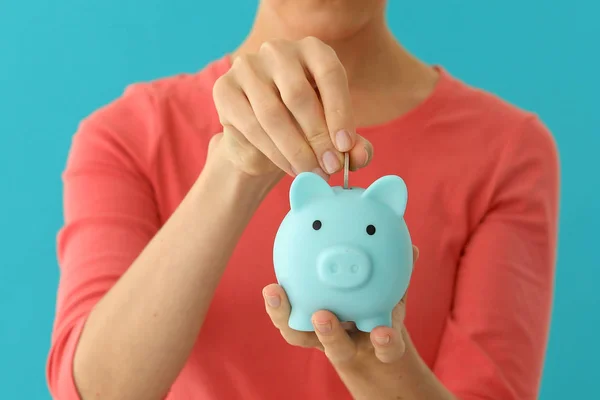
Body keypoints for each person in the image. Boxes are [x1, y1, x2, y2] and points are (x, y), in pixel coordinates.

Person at [46, 1, 560, 399]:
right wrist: (235, 170)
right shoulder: (128, 136)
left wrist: (371, 360)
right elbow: (94, 391)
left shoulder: (507, 151)